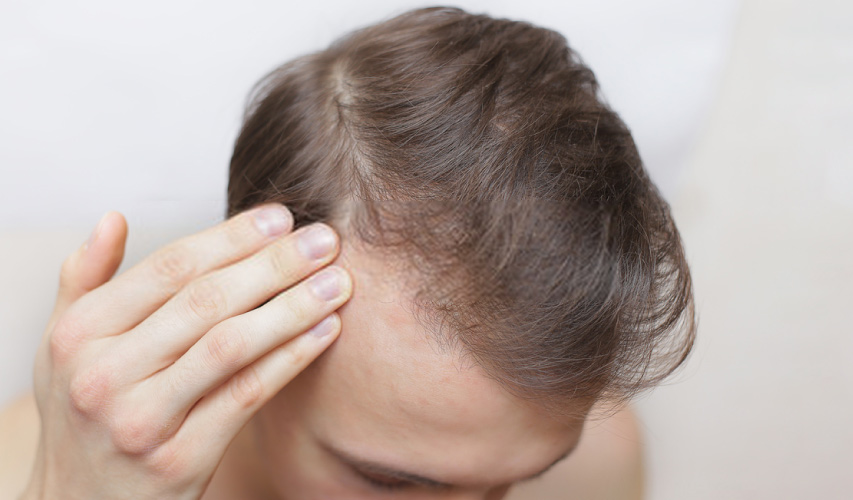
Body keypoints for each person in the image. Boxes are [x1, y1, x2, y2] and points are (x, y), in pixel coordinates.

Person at [0, 6, 695, 499]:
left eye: (517, 481)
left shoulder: (597, 465)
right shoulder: (41, 473)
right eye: (390, 481)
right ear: (241, 324)